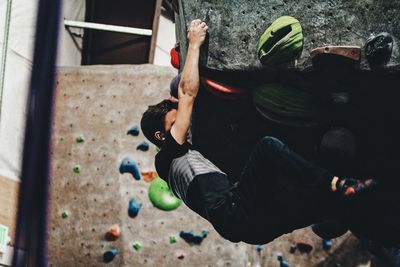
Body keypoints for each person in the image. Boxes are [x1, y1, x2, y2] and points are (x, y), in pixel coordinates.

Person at [140, 19, 376, 244]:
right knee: (268, 147)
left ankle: (364, 199)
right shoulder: (168, 153)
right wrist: (193, 44)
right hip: (236, 212)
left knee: (333, 205)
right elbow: (186, 93)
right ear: (161, 136)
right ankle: (335, 182)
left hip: (253, 228)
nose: (184, 123)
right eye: (176, 121)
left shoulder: (176, 166)